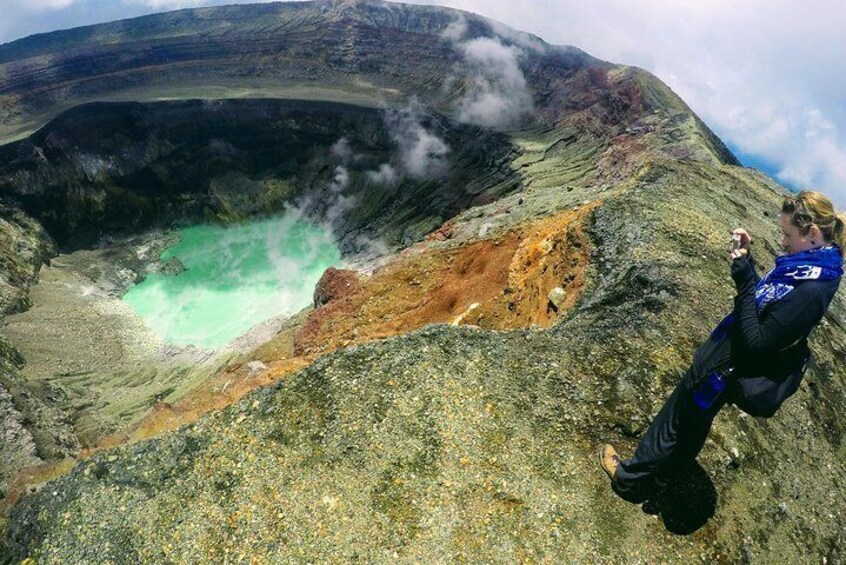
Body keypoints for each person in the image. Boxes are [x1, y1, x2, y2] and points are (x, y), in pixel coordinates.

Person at [599, 190, 845, 502]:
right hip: (730, 367)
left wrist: (743, 281)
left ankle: (627, 480)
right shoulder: (813, 267)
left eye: (787, 234)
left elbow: (756, 342)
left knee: (673, 420)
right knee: (695, 422)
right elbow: (769, 308)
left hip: (724, 366)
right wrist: (748, 262)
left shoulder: (812, 287)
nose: (783, 242)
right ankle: (663, 478)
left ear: (811, 234)